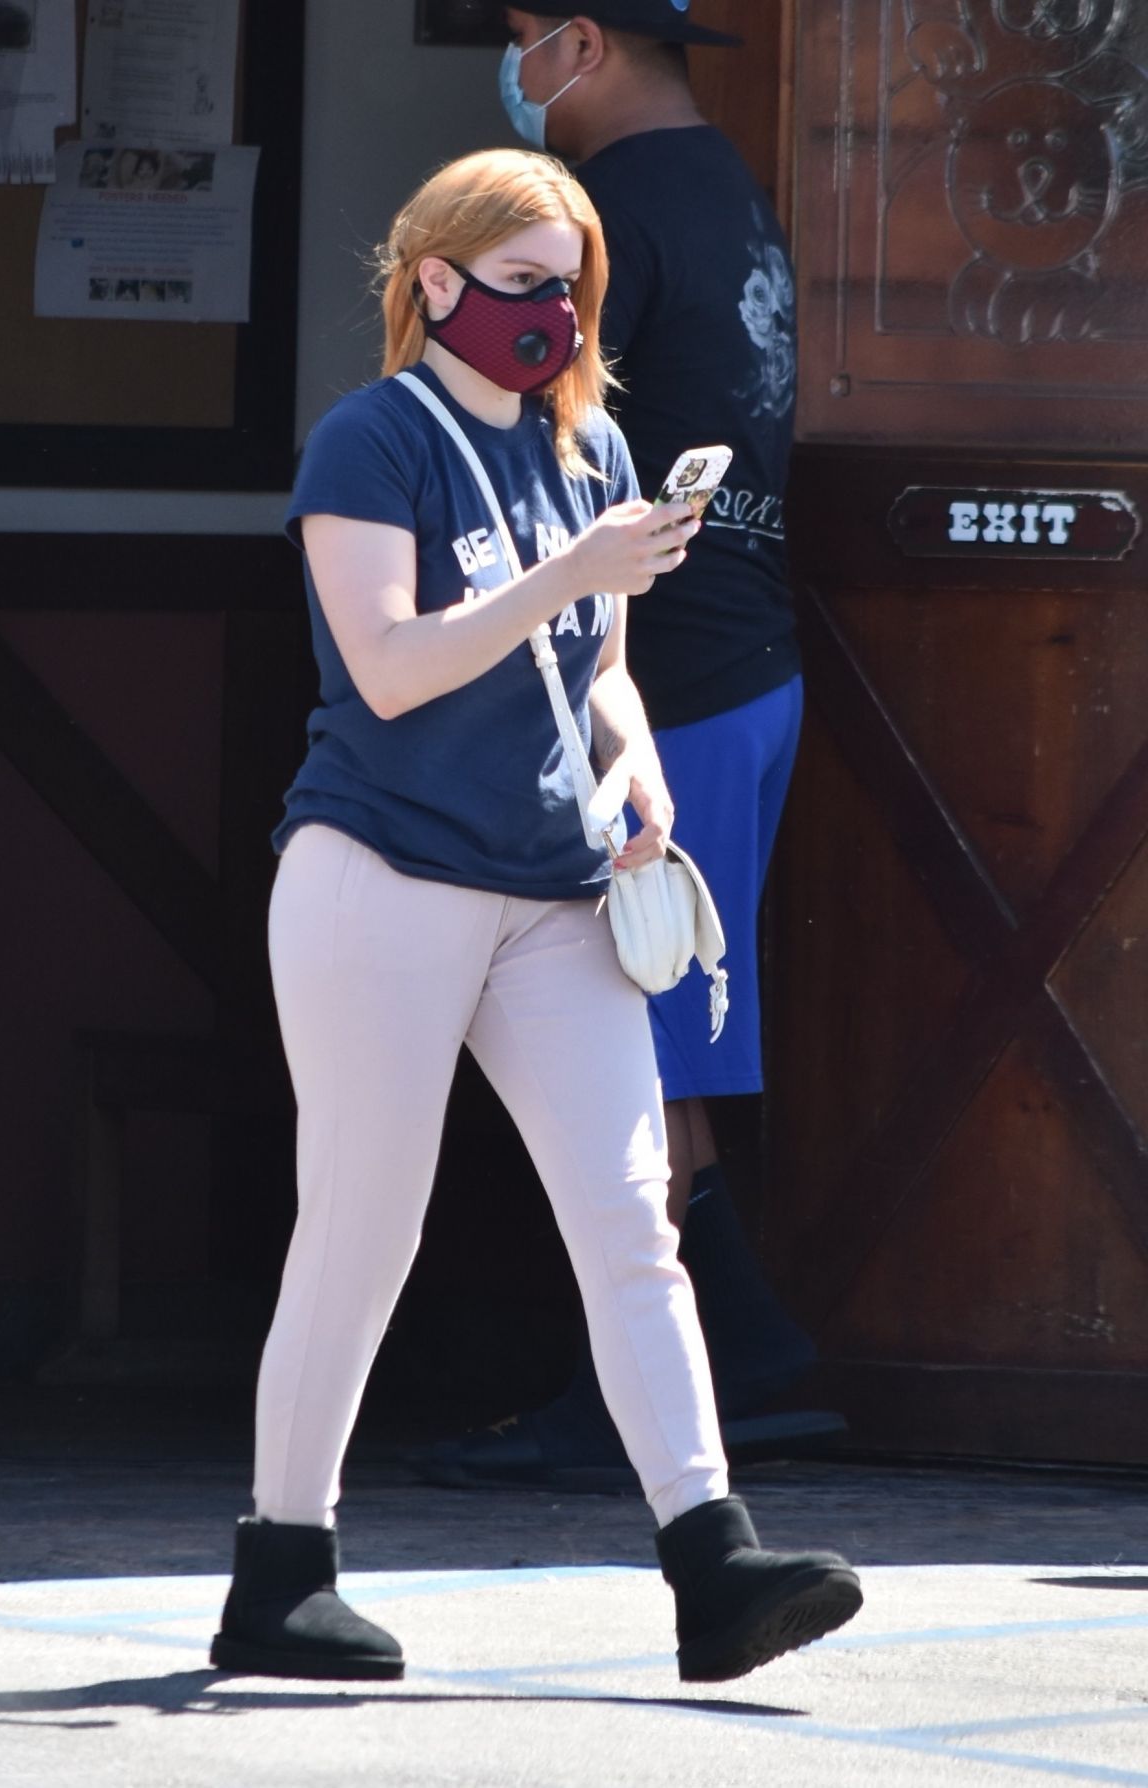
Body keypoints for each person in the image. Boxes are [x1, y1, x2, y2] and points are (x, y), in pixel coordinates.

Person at [209, 146, 861, 1685]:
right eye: (519, 286)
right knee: (366, 1224)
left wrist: (639, 777)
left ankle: (713, 1558)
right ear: (432, 284)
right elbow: (387, 667)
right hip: (383, 873)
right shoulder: (374, 443)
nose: (552, 315)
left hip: (557, 887)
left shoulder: (592, 451)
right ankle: (280, 1564)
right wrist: (573, 565)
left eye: (570, 287)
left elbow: (605, 671)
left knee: (635, 1215)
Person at [418, 2, 836, 1493]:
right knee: (648, 1035)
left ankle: (663, 1383)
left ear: (578, 46)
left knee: (621, 1038)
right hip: (743, 664)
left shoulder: (598, 222)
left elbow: (528, 450)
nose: (511, 68)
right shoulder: (728, 192)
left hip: (659, 681)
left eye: (521, 38)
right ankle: (741, 1358)